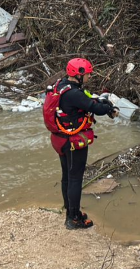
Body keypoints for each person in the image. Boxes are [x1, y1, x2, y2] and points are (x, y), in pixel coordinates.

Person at [43, 58, 117, 230]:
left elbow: (88, 99)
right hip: (72, 142)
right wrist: (109, 108)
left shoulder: (61, 85)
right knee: (75, 178)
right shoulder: (74, 94)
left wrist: (100, 101)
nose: (89, 77)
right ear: (79, 75)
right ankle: (74, 219)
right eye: (88, 74)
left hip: (60, 139)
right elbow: (95, 108)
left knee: (67, 176)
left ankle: (70, 210)